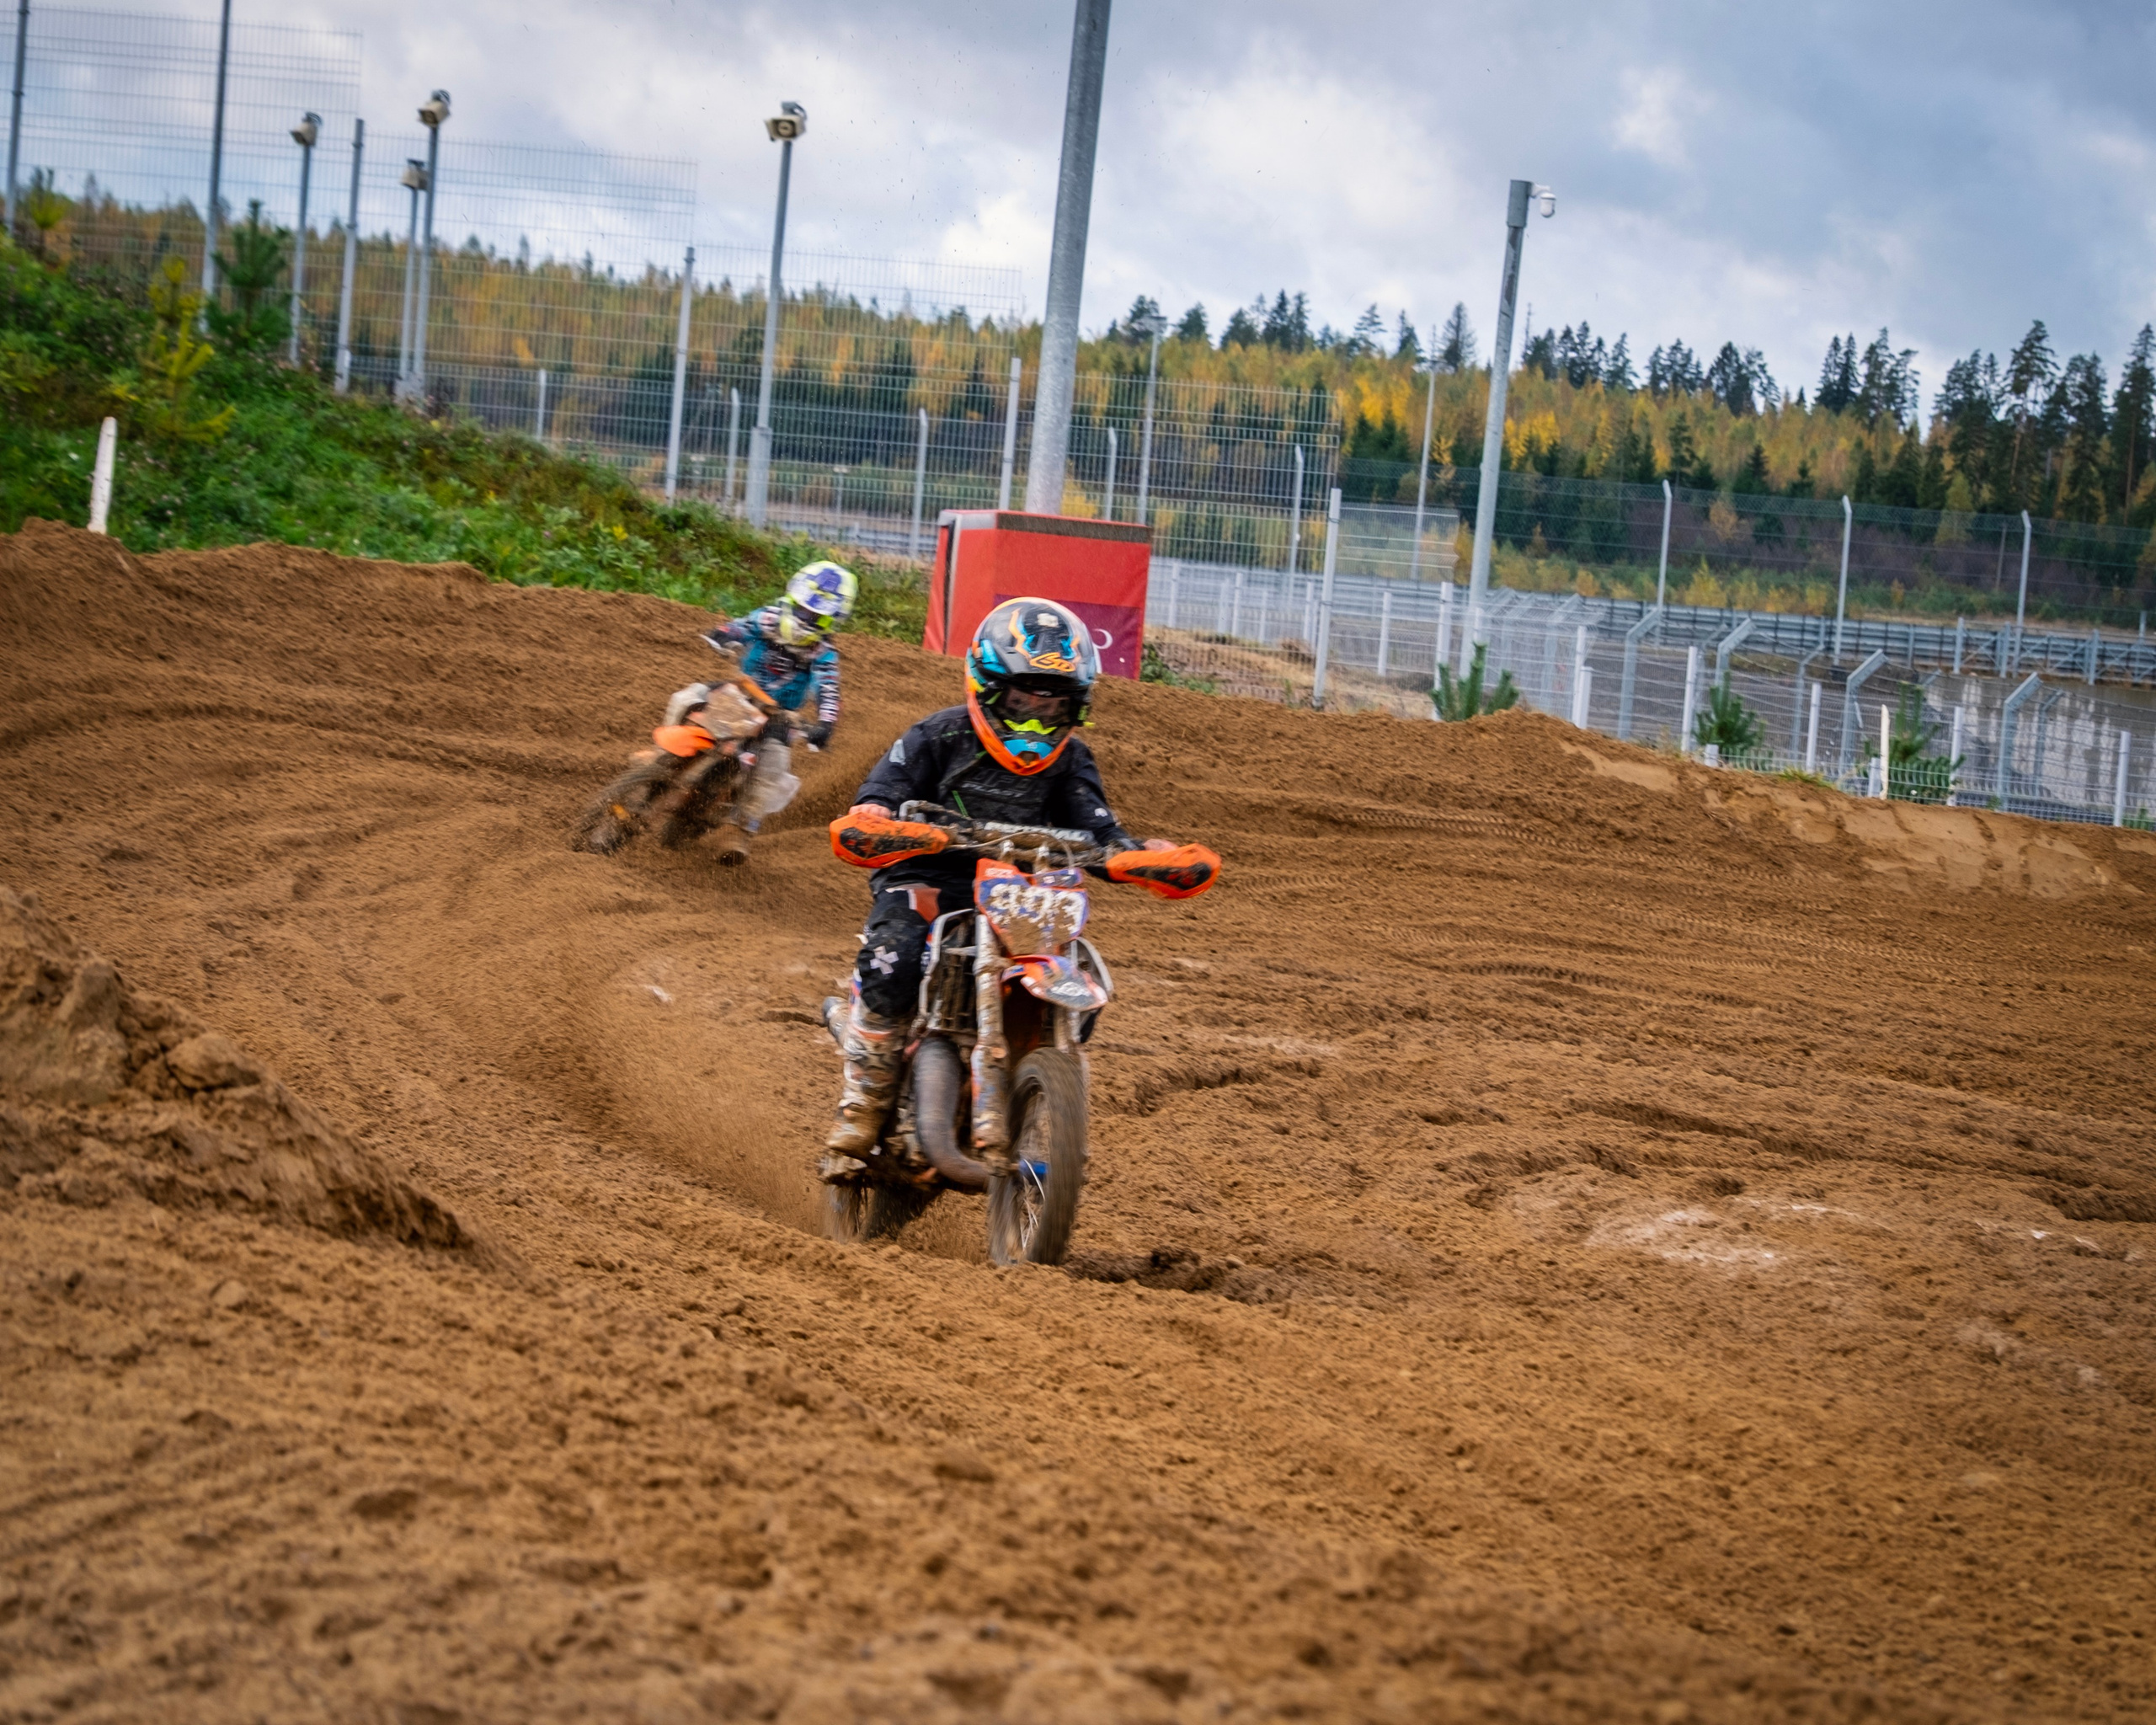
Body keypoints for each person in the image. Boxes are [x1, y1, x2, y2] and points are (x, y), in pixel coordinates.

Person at [821, 595, 1180, 1167]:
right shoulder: (937, 736)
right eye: (1021, 701)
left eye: (1053, 705)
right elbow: (880, 794)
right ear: (988, 690)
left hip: (1023, 892)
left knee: (1078, 976)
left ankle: (1033, 1080)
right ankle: (865, 1100)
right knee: (894, 957)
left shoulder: (1071, 761)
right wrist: (876, 819)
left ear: (1076, 707)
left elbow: (1097, 824)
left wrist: (1140, 856)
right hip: (927, 877)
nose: (1036, 719)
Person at [668, 560, 856, 863]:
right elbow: (741, 626)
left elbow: (829, 692)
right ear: (792, 599)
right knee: (687, 698)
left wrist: (825, 724)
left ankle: (740, 828)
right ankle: (662, 759)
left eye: (816, 616)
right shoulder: (768, 619)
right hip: (740, 692)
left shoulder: (824, 654)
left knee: (773, 767)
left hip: (779, 716)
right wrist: (723, 633)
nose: (805, 618)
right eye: (802, 609)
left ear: (831, 621)